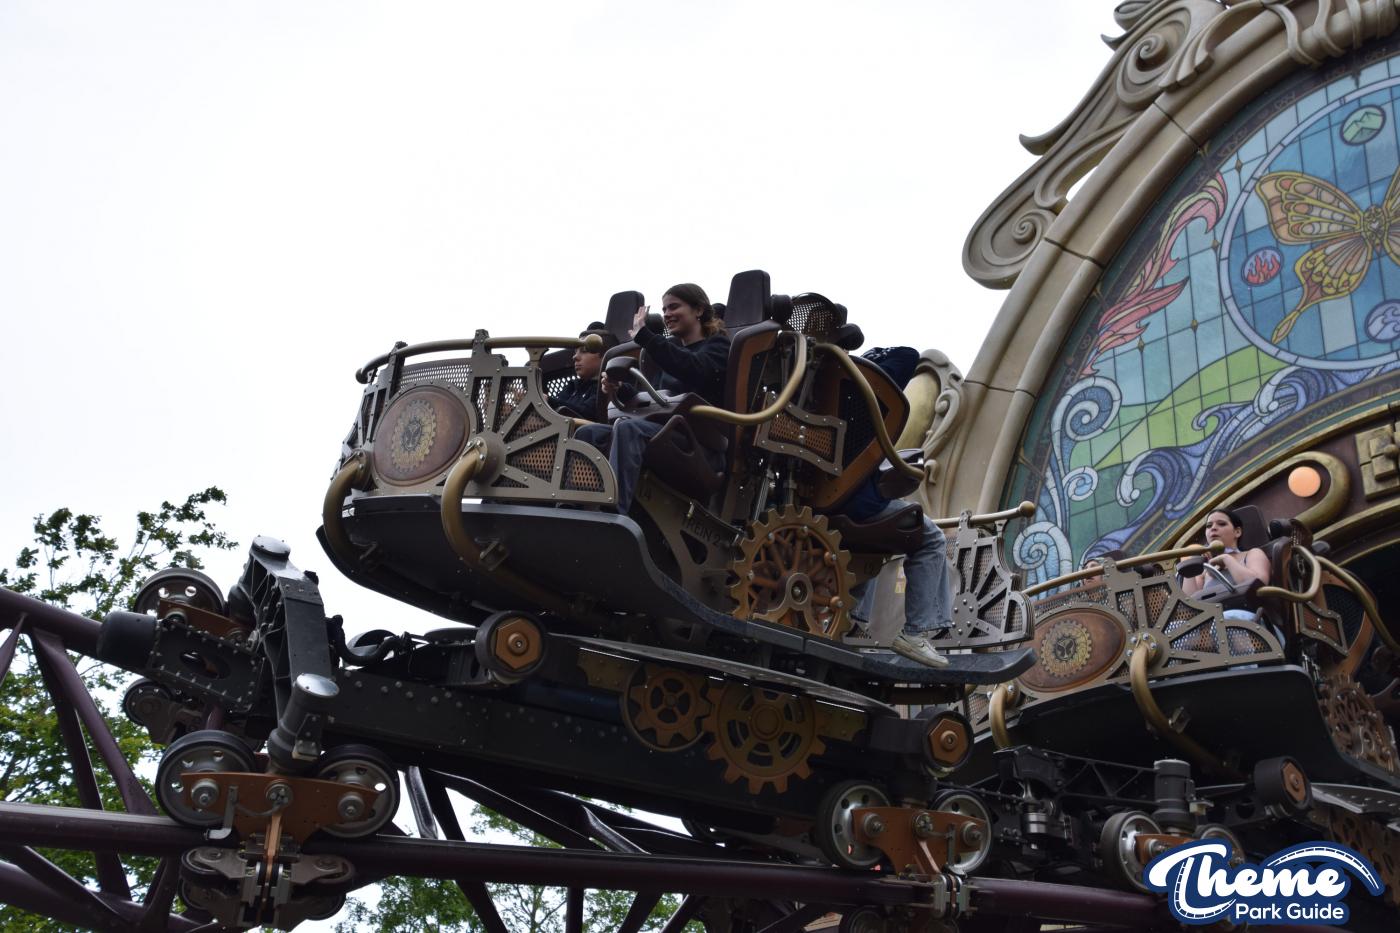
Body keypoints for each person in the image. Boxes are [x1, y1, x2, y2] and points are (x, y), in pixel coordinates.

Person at [576, 284, 730, 513]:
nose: (667, 314)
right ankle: (572, 508)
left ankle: (614, 513)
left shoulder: (718, 346)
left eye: (674, 307)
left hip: (699, 443)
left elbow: (695, 370)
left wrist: (647, 338)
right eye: (664, 309)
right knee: (587, 433)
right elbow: (655, 397)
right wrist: (619, 388)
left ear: (698, 310)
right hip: (665, 431)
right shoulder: (671, 351)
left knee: (628, 429)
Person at [845, 346, 952, 669]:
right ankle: (915, 632)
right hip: (857, 504)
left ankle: (853, 621)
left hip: (824, 505)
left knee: (877, 540)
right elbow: (907, 356)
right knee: (931, 538)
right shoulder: (866, 400)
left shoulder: (819, 390)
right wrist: (869, 360)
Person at [1180, 508, 1270, 600]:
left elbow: (1258, 587)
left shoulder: (1252, 554)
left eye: (1222, 524)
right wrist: (1188, 564)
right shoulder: (1205, 570)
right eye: (1209, 526)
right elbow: (1189, 602)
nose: (1213, 528)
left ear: (1237, 532)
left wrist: (1226, 559)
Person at [549, 322, 615, 419]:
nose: (575, 357)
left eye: (584, 351)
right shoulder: (572, 387)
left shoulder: (607, 388)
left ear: (606, 356)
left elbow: (587, 414)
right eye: (575, 352)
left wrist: (547, 401)